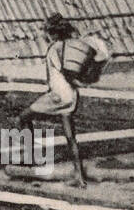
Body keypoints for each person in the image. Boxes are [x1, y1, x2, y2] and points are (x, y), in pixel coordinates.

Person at [17, 14, 86, 186]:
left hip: (58, 95)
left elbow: (61, 70)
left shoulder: (54, 48)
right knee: (70, 136)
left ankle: (30, 162)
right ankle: (80, 177)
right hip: (71, 94)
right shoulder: (69, 46)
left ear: (53, 33)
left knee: (22, 118)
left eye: (48, 32)